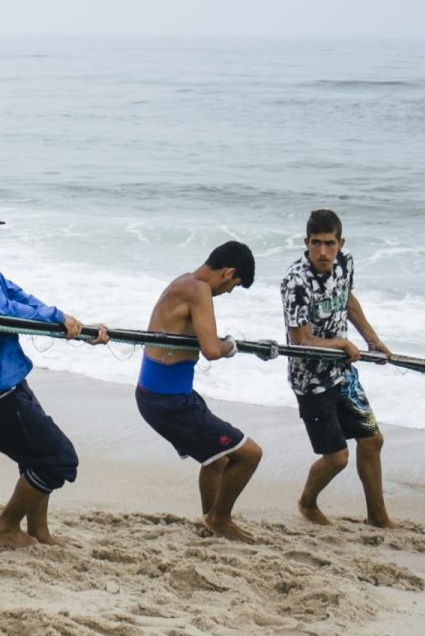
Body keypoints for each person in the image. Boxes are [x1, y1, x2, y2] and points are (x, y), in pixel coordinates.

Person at [0, 195, 107, 546]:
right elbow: (2, 310)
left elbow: (20, 296)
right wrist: (58, 319)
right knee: (58, 459)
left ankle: (38, 530)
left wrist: (74, 327)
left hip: (7, 378)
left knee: (36, 457)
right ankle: (5, 527)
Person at [134, 241, 265, 542]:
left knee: (217, 458)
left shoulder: (184, 281)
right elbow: (211, 350)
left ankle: (212, 520)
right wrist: (232, 346)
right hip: (169, 401)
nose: (228, 292)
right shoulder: (200, 290)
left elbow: (198, 335)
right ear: (228, 273)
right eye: (233, 286)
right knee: (249, 455)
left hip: (158, 394)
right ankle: (220, 519)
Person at [281, 209, 395, 528]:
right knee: (337, 458)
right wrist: (341, 344)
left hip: (342, 375)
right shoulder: (295, 281)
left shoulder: (345, 263)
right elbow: (300, 339)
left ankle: (378, 516)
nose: (322, 252)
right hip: (312, 381)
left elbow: (348, 300)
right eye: (316, 243)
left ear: (340, 243)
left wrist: (373, 340)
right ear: (306, 242)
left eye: (329, 244)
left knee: (372, 440)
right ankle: (307, 502)